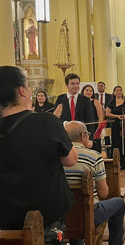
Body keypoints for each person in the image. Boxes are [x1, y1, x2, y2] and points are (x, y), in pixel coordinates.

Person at [0, 66, 77, 243]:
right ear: (22, 91)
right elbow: (71, 160)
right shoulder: (47, 122)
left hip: (6, 219)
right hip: (45, 217)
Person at [64, 121, 125, 245]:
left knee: (74, 209)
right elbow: (103, 194)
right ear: (83, 136)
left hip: (63, 216)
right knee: (119, 203)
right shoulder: (94, 156)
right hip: (89, 214)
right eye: (87, 134)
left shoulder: (58, 157)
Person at [106, 86, 125, 170]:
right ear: (114, 92)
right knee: (116, 143)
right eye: (117, 90)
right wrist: (117, 116)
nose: (119, 92)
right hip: (116, 125)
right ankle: (116, 161)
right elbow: (108, 113)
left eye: (120, 90)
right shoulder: (111, 102)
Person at [81, 84, 103, 152]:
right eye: (87, 90)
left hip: (94, 127)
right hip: (82, 127)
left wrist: (98, 131)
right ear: (83, 91)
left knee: (94, 147)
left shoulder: (95, 102)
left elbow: (100, 117)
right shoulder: (79, 102)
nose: (89, 92)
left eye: (91, 91)